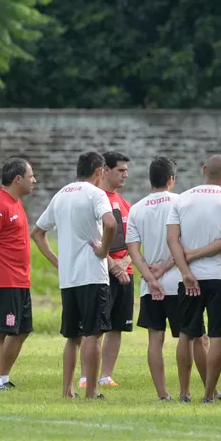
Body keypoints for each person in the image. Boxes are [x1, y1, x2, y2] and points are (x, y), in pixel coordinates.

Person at [31, 151, 118, 400]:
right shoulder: (96, 194)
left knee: (72, 337)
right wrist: (103, 250)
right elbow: (110, 223)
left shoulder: (61, 195)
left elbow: (37, 232)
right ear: (100, 171)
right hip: (92, 274)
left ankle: (67, 390)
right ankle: (91, 391)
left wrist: (57, 261)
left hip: (69, 278)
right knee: (93, 334)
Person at [167, 155, 221, 403]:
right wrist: (199, 254)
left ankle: (183, 392)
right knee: (218, 336)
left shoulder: (182, 199)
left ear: (204, 170)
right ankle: (209, 394)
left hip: (190, 278)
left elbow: (172, 240)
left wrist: (186, 272)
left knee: (187, 335)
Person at [0, 158, 37, 390]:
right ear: (17, 179)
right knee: (1, 330)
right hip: (4, 280)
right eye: (31, 176)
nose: (35, 180)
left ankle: (3, 377)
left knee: (22, 331)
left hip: (21, 281)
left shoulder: (16, 203)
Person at [126, 157, 182, 400]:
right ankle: (190, 390)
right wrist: (166, 267)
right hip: (179, 281)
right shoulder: (181, 202)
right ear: (171, 179)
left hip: (151, 288)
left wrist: (150, 277)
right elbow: (182, 243)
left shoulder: (137, 208)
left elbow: (133, 250)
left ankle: (162, 394)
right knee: (192, 338)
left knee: (155, 339)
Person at [80, 151, 132, 390]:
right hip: (101, 271)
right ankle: (85, 377)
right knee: (95, 326)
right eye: (120, 170)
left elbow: (135, 239)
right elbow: (92, 237)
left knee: (117, 326)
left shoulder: (125, 204)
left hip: (126, 271)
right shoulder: (94, 198)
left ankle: (105, 376)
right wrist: (112, 264)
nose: (125, 175)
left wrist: (125, 262)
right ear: (105, 171)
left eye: (126, 170)